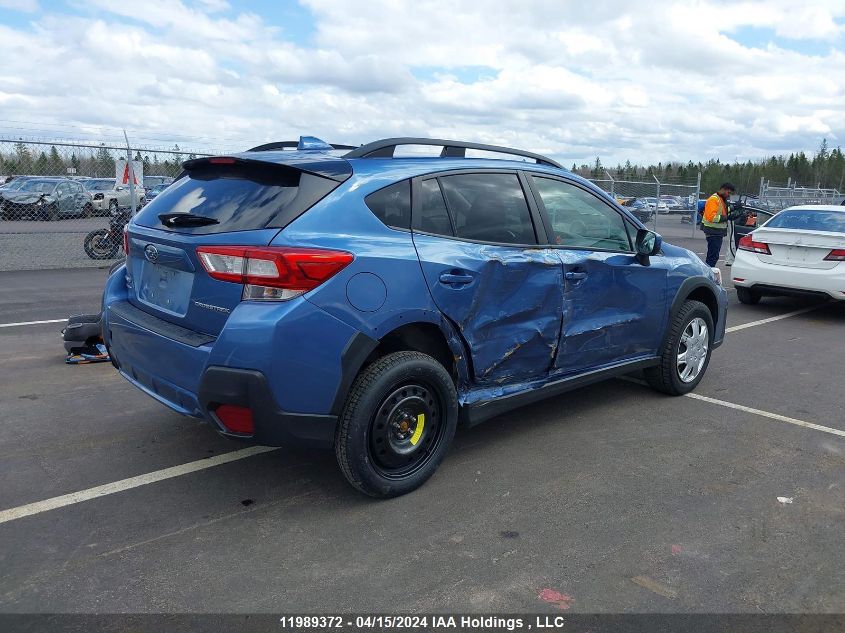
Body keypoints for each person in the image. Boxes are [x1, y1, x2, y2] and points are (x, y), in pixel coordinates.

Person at [701, 182, 736, 267]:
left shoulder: (720, 199)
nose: (728, 195)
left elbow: (723, 210)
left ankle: (709, 273)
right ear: (724, 189)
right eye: (728, 193)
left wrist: (733, 207)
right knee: (712, 257)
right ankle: (708, 274)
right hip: (713, 232)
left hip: (716, 232)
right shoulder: (714, 199)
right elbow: (712, 217)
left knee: (713, 256)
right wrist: (727, 217)